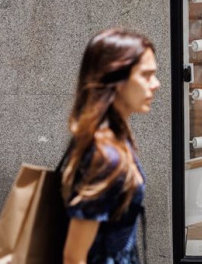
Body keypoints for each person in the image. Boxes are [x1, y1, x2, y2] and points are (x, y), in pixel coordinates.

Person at [61, 27, 160, 263]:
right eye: (146, 75)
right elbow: (74, 257)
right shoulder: (105, 156)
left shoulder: (115, 137)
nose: (155, 84)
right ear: (117, 80)